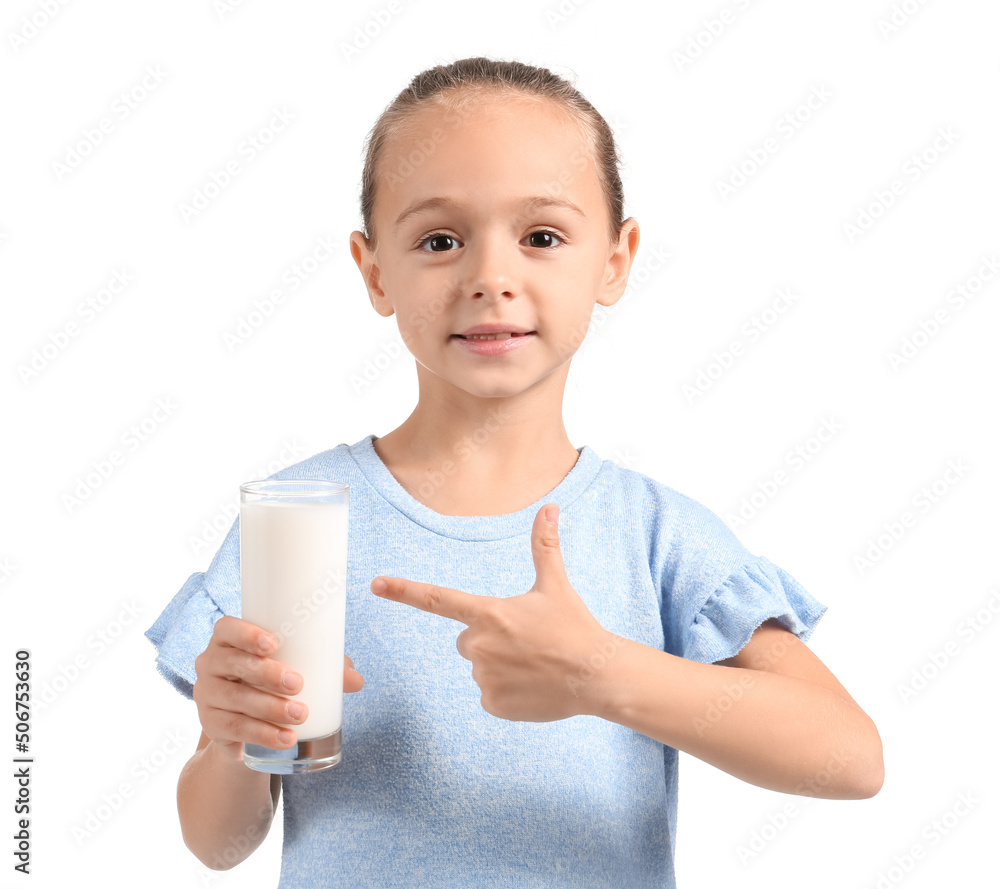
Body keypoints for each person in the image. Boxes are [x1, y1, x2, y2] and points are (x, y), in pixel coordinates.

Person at [146, 56, 883, 888]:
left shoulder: (655, 536)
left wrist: (600, 672)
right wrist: (233, 742)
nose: (491, 278)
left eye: (541, 237)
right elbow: (216, 842)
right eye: (440, 240)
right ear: (375, 271)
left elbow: (851, 757)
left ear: (615, 259)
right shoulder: (299, 523)